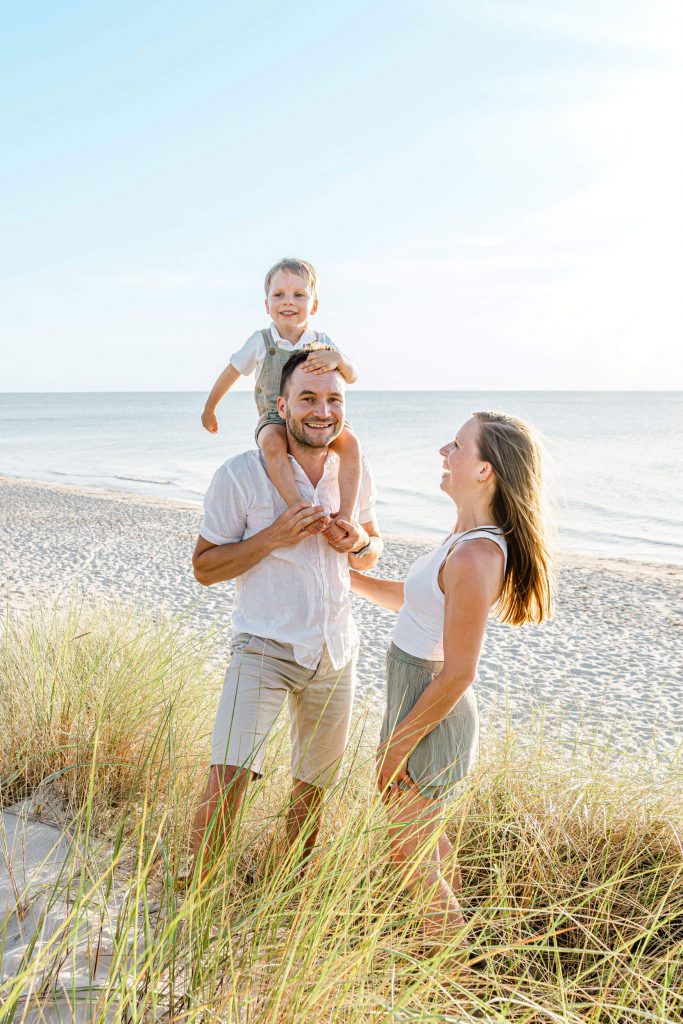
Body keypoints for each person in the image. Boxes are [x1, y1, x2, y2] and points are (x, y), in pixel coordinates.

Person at [350, 411, 554, 946]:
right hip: (415, 695)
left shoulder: (477, 555)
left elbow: (460, 673)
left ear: (485, 470)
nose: (445, 451)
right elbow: (412, 601)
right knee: (428, 853)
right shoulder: (462, 536)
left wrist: (395, 746)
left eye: (457, 446)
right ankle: (451, 977)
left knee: (414, 862)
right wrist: (344, 577)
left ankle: (453, 979)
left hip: (431, 709)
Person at [192, 349, 383, 876]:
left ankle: (286, 894)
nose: (322, 410)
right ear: (281, 405)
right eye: (308, 399)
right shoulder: (240, 475)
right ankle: (194, 898)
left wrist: (360, 540)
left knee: (312, 788)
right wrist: (275, 535)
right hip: (263, 648)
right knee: (228, 777)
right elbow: (204, 568)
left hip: (335, 651)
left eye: (333, 400)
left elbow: (373, 548)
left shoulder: (353, 473)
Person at [201, 257, 362, 546]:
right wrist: (210, 408)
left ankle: (347, 515)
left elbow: (352, 375)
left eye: (299, 294)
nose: (289, 301)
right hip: (273, 418)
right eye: (279, 295)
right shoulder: (261, 341)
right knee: (273, 445)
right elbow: (231, 372)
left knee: (351, 444)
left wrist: (338, 359)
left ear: (313, 305)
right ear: (267, 305)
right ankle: (300, 507)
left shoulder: (323, 341)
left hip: (319, 418)